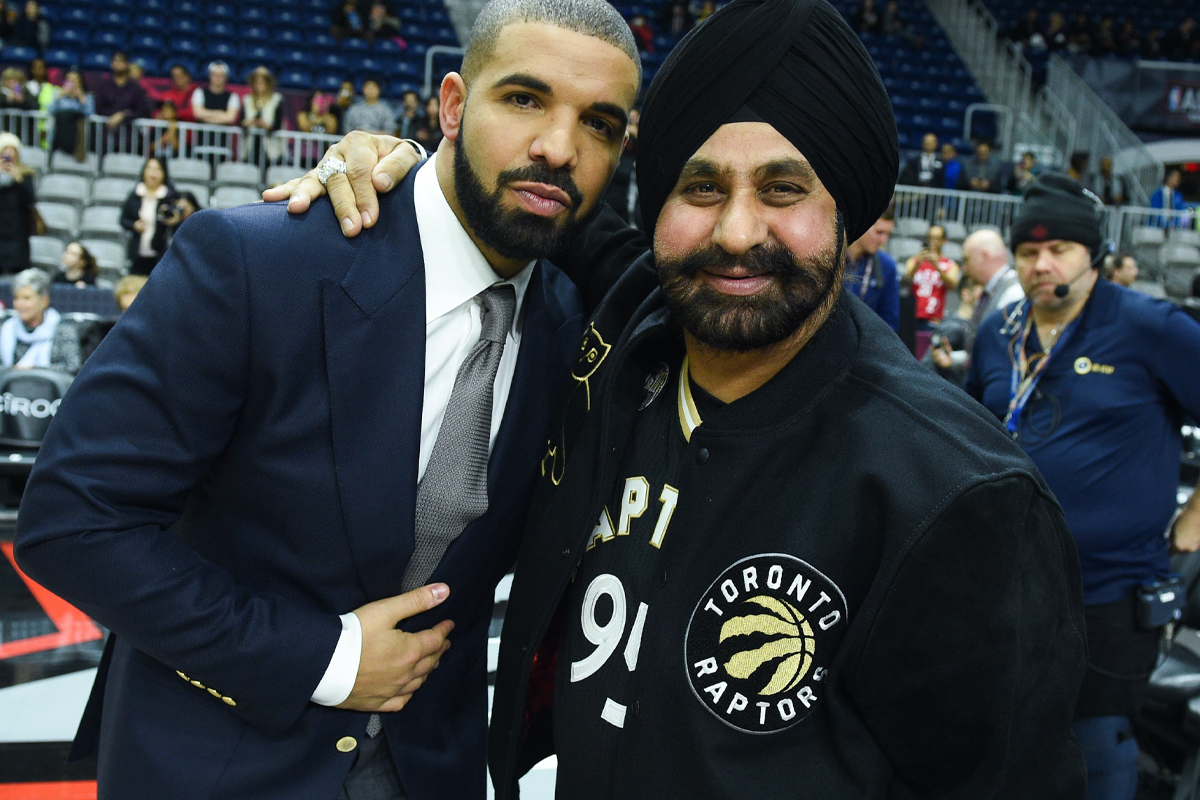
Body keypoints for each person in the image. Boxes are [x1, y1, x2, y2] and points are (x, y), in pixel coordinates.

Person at [275, 1, 1091, 796]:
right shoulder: (634, 308)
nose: (736, 233)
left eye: (783, 190)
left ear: (851, 215)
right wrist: (393, 159)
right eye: (700, 189)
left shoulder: (961, 498)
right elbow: (498, 185)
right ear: (658, 206)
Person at [13, 3, 640, 800]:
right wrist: (324, 657)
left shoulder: (572, 335)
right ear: (452, 105)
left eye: (599, 123)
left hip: (431, 771)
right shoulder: (254, 262)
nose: (558, 147)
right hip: (214, 760)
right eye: (523, 99)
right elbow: (72, 520)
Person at [966, 173, 1200, 800]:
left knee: (1097, 751)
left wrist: (1193, 523)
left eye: (1059, 250)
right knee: (1004, 742)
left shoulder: (1151, 328)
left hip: (1108, 593)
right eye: (1028, 252)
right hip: (1007, 586)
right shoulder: (998, 333)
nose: (1042, 265)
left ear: (1092, 253)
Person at [2, 269, 80, 374]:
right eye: (16, 298)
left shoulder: (63, 330)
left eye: (26, 298)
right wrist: (13, 371)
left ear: (44, 301)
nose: (19, 304)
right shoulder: (6, 327)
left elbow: (73, 368)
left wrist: (34, 370)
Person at [842, 205, 900, 332]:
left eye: (887, 234)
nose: (884, 240)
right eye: (879, 232)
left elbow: (889, 324)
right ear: (863, 223)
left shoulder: (887, 267)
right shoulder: (831, 257)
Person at [120, 156, 179, 275]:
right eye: (150, 168)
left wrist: (174, 221)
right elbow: (123, 220)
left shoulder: (170, 196)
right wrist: (134, 225)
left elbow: (177, 224)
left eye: (157, 169)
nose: (153, 173)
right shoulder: (135, 194)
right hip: (137, 253)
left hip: (161, 254)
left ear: (164, 173)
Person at [903, 223, 960, 332]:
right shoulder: (914, 260)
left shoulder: (950, 264)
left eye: (937, 238)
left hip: (934, 318)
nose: (933, 241)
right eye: (930, 237)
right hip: (912, 316)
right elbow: (906, 282)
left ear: (944, 240)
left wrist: (937, 266)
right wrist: (918, 263)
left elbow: (952, 285)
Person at [92, 52, 154, 136]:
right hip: (106, 135)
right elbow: (99, 108)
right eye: (115, 61)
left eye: (120, 61)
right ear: (111, 64)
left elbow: (141, 110)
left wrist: (123, 115)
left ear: (127, 64)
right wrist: (114, 115)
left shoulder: (136, 88)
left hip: (129, 137)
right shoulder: (103, 86)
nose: (117, 63)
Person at [0, 132, 36, 274]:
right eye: (5, 150)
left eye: (12, 150)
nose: (9, 154)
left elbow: (31, 200)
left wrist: (18, 180)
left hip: (17, 233)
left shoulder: (25, 174)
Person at [241, 66, 284, 165]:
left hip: (270, 146)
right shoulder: (247, 100)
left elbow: (277, 124)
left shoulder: (276, 100)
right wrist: (251, 122)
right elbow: (241, 121)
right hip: (251, 145)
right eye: (256, 82)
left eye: (262, 81)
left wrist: (265, 125)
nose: (259, 85)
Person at [46, 68, 91, 158]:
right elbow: (50, 110)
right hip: (59, 133)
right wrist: (59, 95)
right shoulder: (58, 94)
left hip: (77, 134)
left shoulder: (87, 96)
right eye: (69, 80)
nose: (72, 84)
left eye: (75, 81)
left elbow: (90, 113)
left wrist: (81, 98)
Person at [190, 61, 239, 127]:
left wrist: (206, 115)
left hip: (224, 136)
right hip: (201, 136)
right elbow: (198, 114)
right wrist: (220, 113)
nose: (218, 78)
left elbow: (230, 118)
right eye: (215, 75)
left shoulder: (233, 96)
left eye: (221, 75)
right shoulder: (199, 92)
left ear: (226, 77)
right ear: (209, 76)